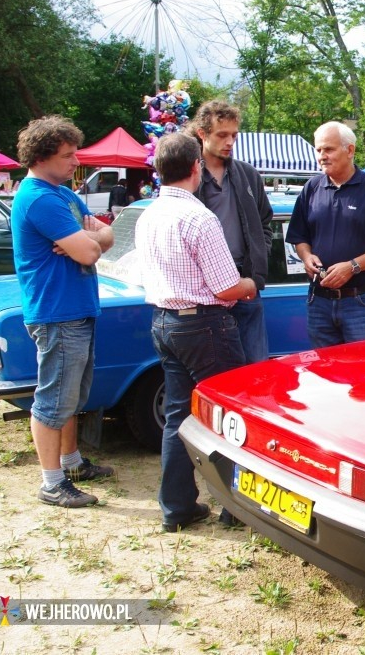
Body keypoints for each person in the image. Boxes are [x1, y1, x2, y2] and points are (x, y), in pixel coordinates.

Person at [135, 133, 257, 532]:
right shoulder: (199, 217)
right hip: (204, 324)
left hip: (165, 320)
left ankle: (177, 507)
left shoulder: (148, 213)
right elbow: (225, 287)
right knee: (230, 417)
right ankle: (235, 508)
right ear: (195, 168)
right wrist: (250, 284)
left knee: (177, 416)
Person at [12, 115, 116, 509]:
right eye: (68, 155)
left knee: (71, 395)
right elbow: (94, 250)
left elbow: (107, 234)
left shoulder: (61, 194)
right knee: (54, 399)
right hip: (57, 312)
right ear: (42, 157)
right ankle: (52, 482)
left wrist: (90, 236)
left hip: (73, 309)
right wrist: (91, 239)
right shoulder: (40, 198)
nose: (76, 162)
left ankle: (71, 463)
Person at [286, 121, 365, 348]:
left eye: (328, 149)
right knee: (324, 375)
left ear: (350, 150)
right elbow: (299, 237)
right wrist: (306, 257)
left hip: (361, 303)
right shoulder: (311, 188)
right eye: (318, 150)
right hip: (319, 300)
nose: (322, 156)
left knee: (363, 372)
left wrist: (352, 266)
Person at [191, 100, 272, 365]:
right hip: (205, 289)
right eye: (222, 135)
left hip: (245, 281)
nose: (230, 141)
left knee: (255, 369)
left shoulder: (248, 174)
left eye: (234, 135)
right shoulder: (187, 175)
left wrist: (259, 261)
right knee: (216, 373)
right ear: (202, 134)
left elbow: (265, 222)